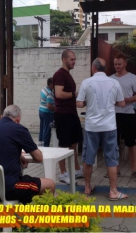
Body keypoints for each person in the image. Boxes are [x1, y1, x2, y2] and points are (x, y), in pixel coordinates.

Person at [0, 105, 55, 204]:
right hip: (7, 188)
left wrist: (19, 155)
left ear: (2, 117)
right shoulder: (18, 129)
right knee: (50, 185)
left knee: (27, 182)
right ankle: (38, 216)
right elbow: (38, 157)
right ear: (18, 119)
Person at [77, 58, 128, 200]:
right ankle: (113, 191)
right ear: (105, 68)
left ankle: (87, 188)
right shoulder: (114, 82)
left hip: (91, 126)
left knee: (88, 158)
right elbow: (122, 103)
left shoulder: (86, 82)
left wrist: (88, 101)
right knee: (111, 158)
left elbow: (79, 103)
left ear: (94, 68)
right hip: (109, 126)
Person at [110, 54, 136, 179]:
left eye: (119, 64)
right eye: (115, 64)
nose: (117, 66)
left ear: (125, 64)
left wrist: (126, 100)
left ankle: (133, 170)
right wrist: (124, 101)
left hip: (129, 114)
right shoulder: (110, 79)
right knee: (114, 143)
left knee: (131, 143)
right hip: (114, 114)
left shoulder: (133, 78)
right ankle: (115, 170)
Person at [53, 49, 84, 184]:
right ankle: (63, 173)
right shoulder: (59, 74)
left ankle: (76, 168)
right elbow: (59, 94)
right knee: (64, 144)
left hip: (71, 113)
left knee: (74, 142)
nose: (74, 62)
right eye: (72, 59)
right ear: (64, 59)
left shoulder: (68, 75)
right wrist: (74, 94)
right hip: (63, 115)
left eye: (75, 59)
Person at [39, 77, 55, 147]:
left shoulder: (43, 89)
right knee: (47, 131)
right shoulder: (49, 93)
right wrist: (56, 109)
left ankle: (41, 144)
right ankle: (45, 146)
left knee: (42, 129)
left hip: (41, 111)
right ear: (51, 84)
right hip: (47, 113)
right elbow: (49, 105)